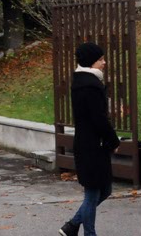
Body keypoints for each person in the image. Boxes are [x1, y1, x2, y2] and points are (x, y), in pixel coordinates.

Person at [59, 42, 119, 236]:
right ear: (91, 62)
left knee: (104, 191)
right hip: (92, 146)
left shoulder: (85, 82)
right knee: (93, 194)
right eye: (100, 59)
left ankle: (72, 226)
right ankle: (88, 233)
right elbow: (98, 119)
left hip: (90, 144)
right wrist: (113, 140)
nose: (104, 63)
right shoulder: (89, 86)